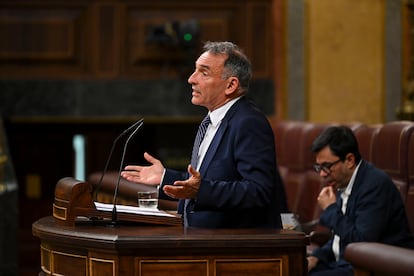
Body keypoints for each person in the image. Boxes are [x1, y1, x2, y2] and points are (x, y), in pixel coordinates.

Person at [121, 41, 285, 228]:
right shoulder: (211, 120)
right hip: (200, 239)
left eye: (203, 73)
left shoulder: (248, 122)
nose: (191, 79)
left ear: (231, 85)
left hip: (233, 247)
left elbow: (258, 191)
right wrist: (165, 176)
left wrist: (201, 191)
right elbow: (206, 181)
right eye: (194, 70)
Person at [307, 126, 414, 275]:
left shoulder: (374, 185)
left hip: (370, 267)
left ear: (349, 160)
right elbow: (340, 238)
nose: (323, 175)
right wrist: (317, 257)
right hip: (344, 263)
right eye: (319, 167)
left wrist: (331, 209)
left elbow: (360, 240)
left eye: (327, 166)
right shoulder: (342, 181)